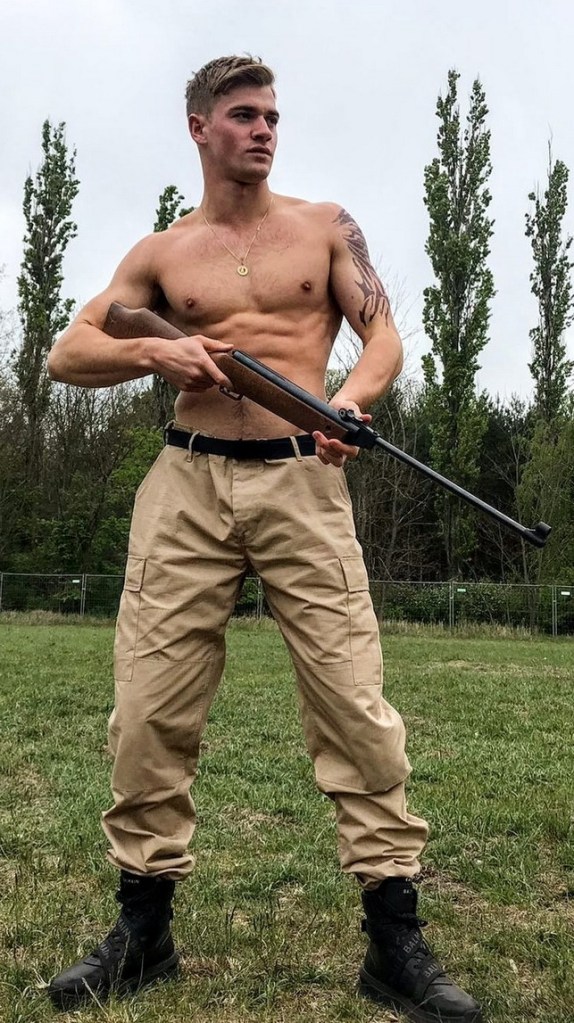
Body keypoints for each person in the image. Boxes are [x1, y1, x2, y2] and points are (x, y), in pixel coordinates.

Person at [46, 55, 482, 1022]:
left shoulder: (324, 228)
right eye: (244, 114)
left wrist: (349, 402)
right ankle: (144, 934)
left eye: (273, 116)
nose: (263, 130)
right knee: (148, 708)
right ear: (199, 127)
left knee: (354, 702)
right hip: (186, 482)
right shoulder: (162, 252)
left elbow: (382, 337)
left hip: (303, 476)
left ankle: (394, 940)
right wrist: (156, 349)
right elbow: (68, 350)